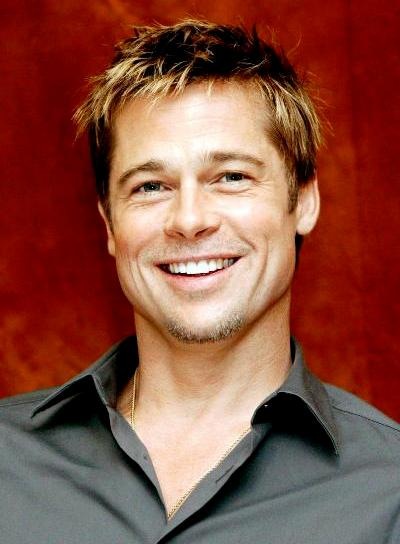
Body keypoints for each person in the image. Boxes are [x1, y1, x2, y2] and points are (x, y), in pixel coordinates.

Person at [1, 20, 399, 544]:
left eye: (232, 177)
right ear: (110, 225)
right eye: (150, 186)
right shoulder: (8, 462)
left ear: (303, 201)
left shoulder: (389, 491)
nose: (189, 220)